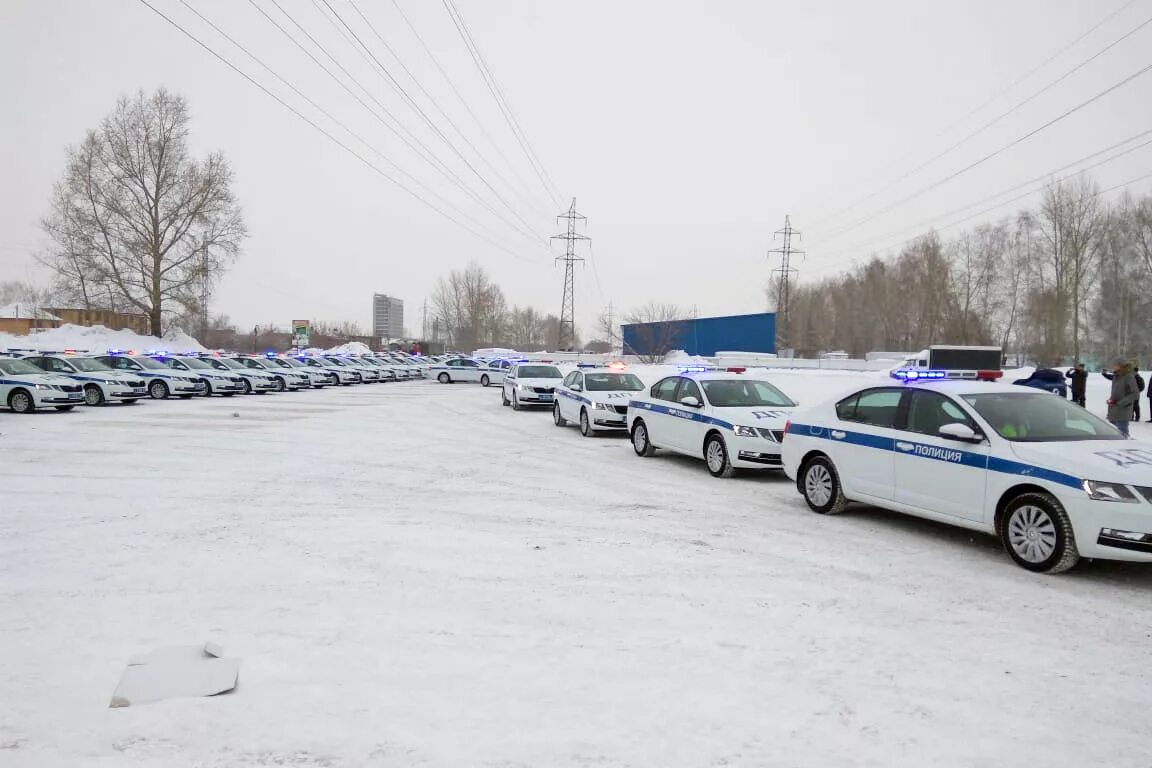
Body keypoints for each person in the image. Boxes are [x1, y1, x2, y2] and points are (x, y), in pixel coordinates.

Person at [1105, 358, 1139, 437]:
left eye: (1115, 365)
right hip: (1113, 409)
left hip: (1123, 410)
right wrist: (1111, 400)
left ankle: (1126, 447)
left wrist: (1121, 403)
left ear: (1121, 366)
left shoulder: (1129, 377)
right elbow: (1116, 391)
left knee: (1122, 433)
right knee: (1114, 432)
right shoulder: (1116, 376)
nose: (1113, 367)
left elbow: (1135, 394)